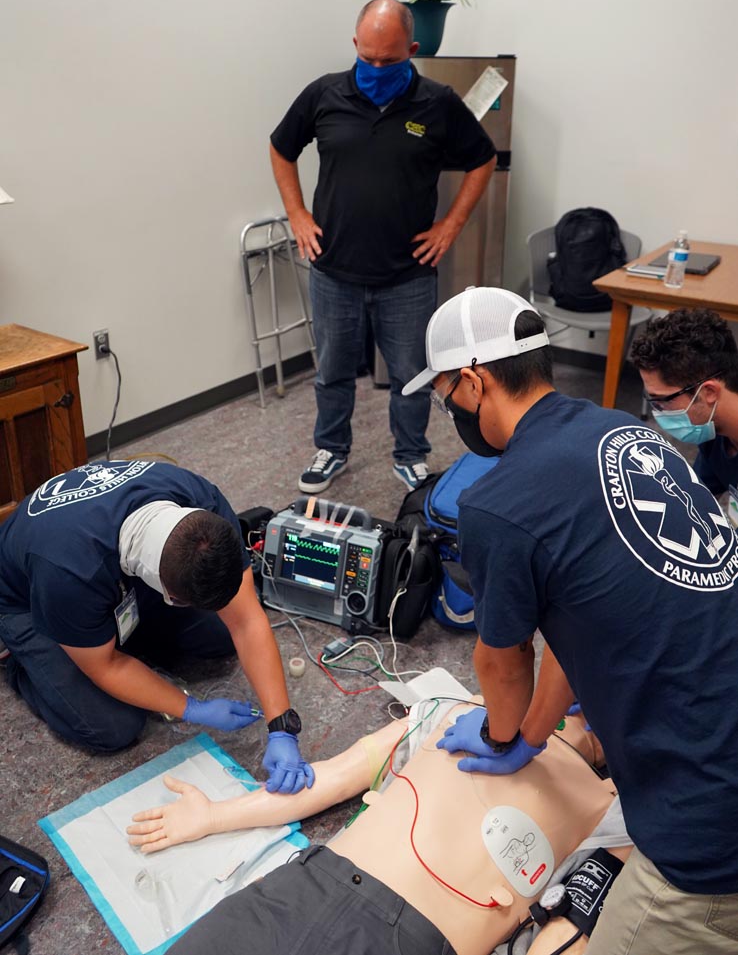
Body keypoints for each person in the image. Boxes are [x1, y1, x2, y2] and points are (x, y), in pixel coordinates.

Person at [402, 286, 738, 954]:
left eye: (446, 394)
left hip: (708, 822)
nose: (450, 411)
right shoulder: (628, 432)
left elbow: (502, 661)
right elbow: (570, 623)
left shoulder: (497, 505)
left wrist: (500, 737)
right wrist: (531, 731)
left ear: (473, 382)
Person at [127, 700, 628, 955]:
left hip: (407, 939)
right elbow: (338, 774)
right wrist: (214, 815)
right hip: (296, 891)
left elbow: (568, 932)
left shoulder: (621, 813)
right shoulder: (456, 709)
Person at [270, 0, 496, 495]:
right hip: (333, 270)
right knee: (331, 373)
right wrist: (297, 215)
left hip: (407, 276)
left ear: (411, 50)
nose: (375, 68)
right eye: (366, 58)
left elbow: (483, 159)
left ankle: (411, 455)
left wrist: (450, 226)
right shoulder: (323, 94)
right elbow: (281, 148)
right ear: (354, 44)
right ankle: (331, 448)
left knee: (412, 376)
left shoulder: (437, 103)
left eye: (389, 61)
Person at [0, 459, 314, 794]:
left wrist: (282, 726)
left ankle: (109, 635)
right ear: (167, 592)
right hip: (25, 599)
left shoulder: (205, 507)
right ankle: (21, 660)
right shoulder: (68, 572)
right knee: (112, 727)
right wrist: (191, 708)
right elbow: (105, 667)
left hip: (106, 575)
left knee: (222, 635)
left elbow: (247, 620)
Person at [630, 307, 738, 496]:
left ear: (709, 391)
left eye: (663, 400)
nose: (658, 412)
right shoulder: (713, 430)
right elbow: (699, 497)